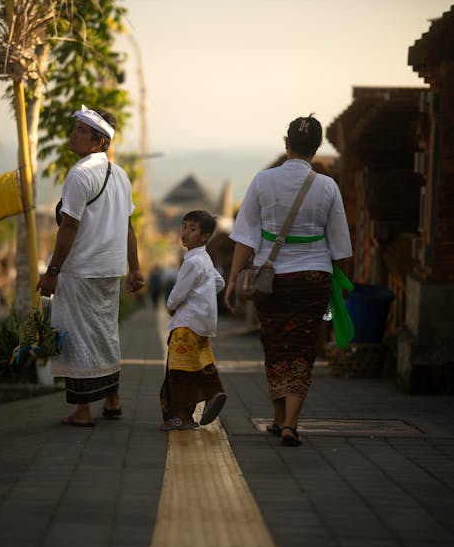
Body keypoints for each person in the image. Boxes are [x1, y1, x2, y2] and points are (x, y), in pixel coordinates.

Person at [225, 115, 352, 446]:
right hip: (313, 278)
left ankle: (280, 418)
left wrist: (232, 279)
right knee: (301, 346)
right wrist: (344, 283)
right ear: (317, 147)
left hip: (271, 279)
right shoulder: (327, 186)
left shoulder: (263, 180)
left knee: (275, 343)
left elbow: (245, 236)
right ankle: (289, 423)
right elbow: (340, 246)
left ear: (286, 143)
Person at [37, 105, 144, 427]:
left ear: (99, 142)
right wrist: (134, 268)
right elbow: (127, 226)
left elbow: (68, 227)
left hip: (81, 270)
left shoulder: (80, 174)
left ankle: (82, 411)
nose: (74, 134)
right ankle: (112, 400)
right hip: (110, 269)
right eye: (76, 128)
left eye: (82, 130)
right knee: (105, 334)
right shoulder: (121, 175)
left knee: (78, 337)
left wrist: (52, 271)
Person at [159, 210, 227, 430]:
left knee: (178, 374)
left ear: (205, 236)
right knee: (198, 365)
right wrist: (203, 295)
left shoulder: (191, 262)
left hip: (186, 325)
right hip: (201, 325)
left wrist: (170, 306)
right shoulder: (205, 259)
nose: (185, 232)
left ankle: (181, 418)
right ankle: (212, 392)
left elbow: (178, 292)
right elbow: (219, 283)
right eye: (184, 226)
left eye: (192, 228)